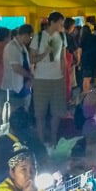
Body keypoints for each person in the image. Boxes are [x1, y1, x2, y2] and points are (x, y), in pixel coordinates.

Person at [31, 12, 68, 146]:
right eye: (60, 23)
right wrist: (44, 54)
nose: (61, 26)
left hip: (57, 78)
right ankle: (41, 142)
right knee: (40, 112)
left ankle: (53, 140)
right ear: (52, 22)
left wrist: (64, 75)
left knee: (57, 112)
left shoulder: (62, 36)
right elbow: (32, 58)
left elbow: (63, 58)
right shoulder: (39, 37)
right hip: (41, 78)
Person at [2, 24, 33, 115]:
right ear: (25, 35)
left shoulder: (22, 48)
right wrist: (31, 76)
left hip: (24, 86)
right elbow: (16, 68)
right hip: (15, 87)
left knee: (24, 112)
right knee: (16, 114)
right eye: (30, 36)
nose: (30, 39)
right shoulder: (11, 47)